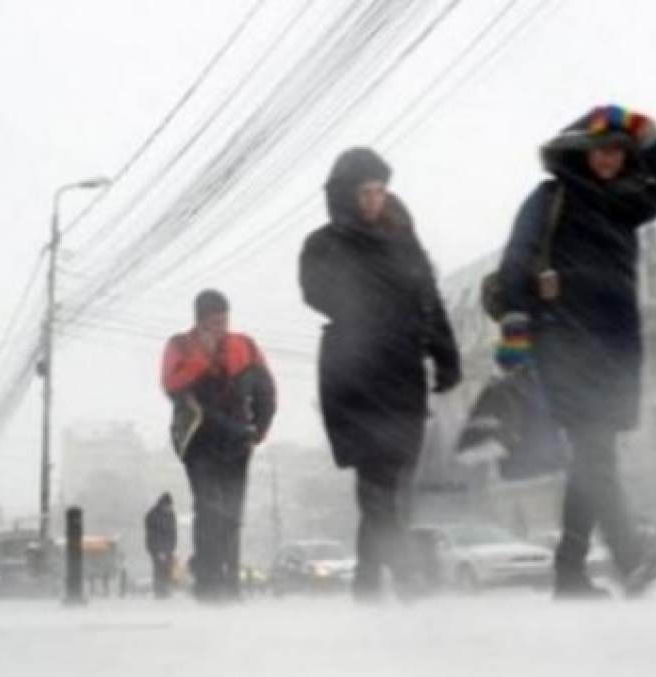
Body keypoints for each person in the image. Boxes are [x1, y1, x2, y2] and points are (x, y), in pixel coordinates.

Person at [495, 105, 656, 599]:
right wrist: (516, 328)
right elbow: (518, 256)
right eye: (600, 150)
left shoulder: (625, 202)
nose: (608, 160)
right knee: (597, 452)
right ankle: (631, 558)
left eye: (619, 152)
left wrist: (648, 132)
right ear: (581, 152)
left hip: (615, 346)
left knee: (591, 459)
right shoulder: (552, 195)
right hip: (565, 339)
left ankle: (569, 573)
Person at [299, 147, 461, 601]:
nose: (373, 200)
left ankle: (367, 585)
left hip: (402, 372)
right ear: (346, 195)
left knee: (396, 481)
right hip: (352, 372)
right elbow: (315, 292)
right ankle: (407, 573)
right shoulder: (323, 244)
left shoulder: (406, 244)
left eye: (379, 191)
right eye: (364, 192)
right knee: (375, 479)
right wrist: (371, 302)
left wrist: (445, 355)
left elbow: (429, 300)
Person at [160, 289, 277, 602]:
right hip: (198, 442)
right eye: (213, 322)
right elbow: (172, 386)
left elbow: (267, 390)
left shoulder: (246, 346)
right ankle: (209, 581)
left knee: (232, 513)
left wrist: (258, 431)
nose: (220, 328)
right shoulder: (180, 346)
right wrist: (201, 358)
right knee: (210, 507)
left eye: (223, 320)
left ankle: (227, 580)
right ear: (199, 321)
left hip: (238, 442)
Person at [144, 493, 178, 599]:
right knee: (159, 570)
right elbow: (153, 535)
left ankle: (166, 592)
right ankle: (159, 593)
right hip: (156, 548)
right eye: (168, 506)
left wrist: (172, 548)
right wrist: (159, 550)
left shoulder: (171, 514)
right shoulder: (152, 515)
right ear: (163, 504)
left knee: (168, 569)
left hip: (168, 548)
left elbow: (173, 532)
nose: (170, 508)